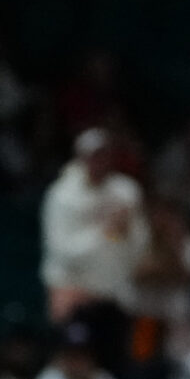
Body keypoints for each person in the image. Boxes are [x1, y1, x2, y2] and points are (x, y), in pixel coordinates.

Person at [38, 128, 148, 340]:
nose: (99, 161)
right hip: (74, 299)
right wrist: (105, 230)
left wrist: (123, 232)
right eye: (93, 155)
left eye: (104, 155)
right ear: (80, 157)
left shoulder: (126, 191)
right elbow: (64, 253)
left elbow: (139, 246)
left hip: (116, 298)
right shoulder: (62, 196)